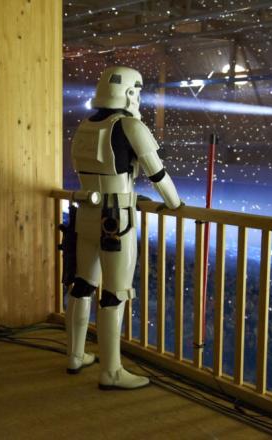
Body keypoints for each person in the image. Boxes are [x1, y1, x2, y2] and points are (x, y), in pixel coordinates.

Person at [67, 66, 182, 390]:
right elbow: (157, 174)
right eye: (138, 91)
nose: (140, 97)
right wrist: (175, 204)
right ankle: (111, 371)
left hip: (86, 213)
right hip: (116, 218)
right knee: (115, 293)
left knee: (82, 284)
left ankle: (75, 355)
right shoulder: (130, 125)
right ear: (130, 93)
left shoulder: (86, 126)